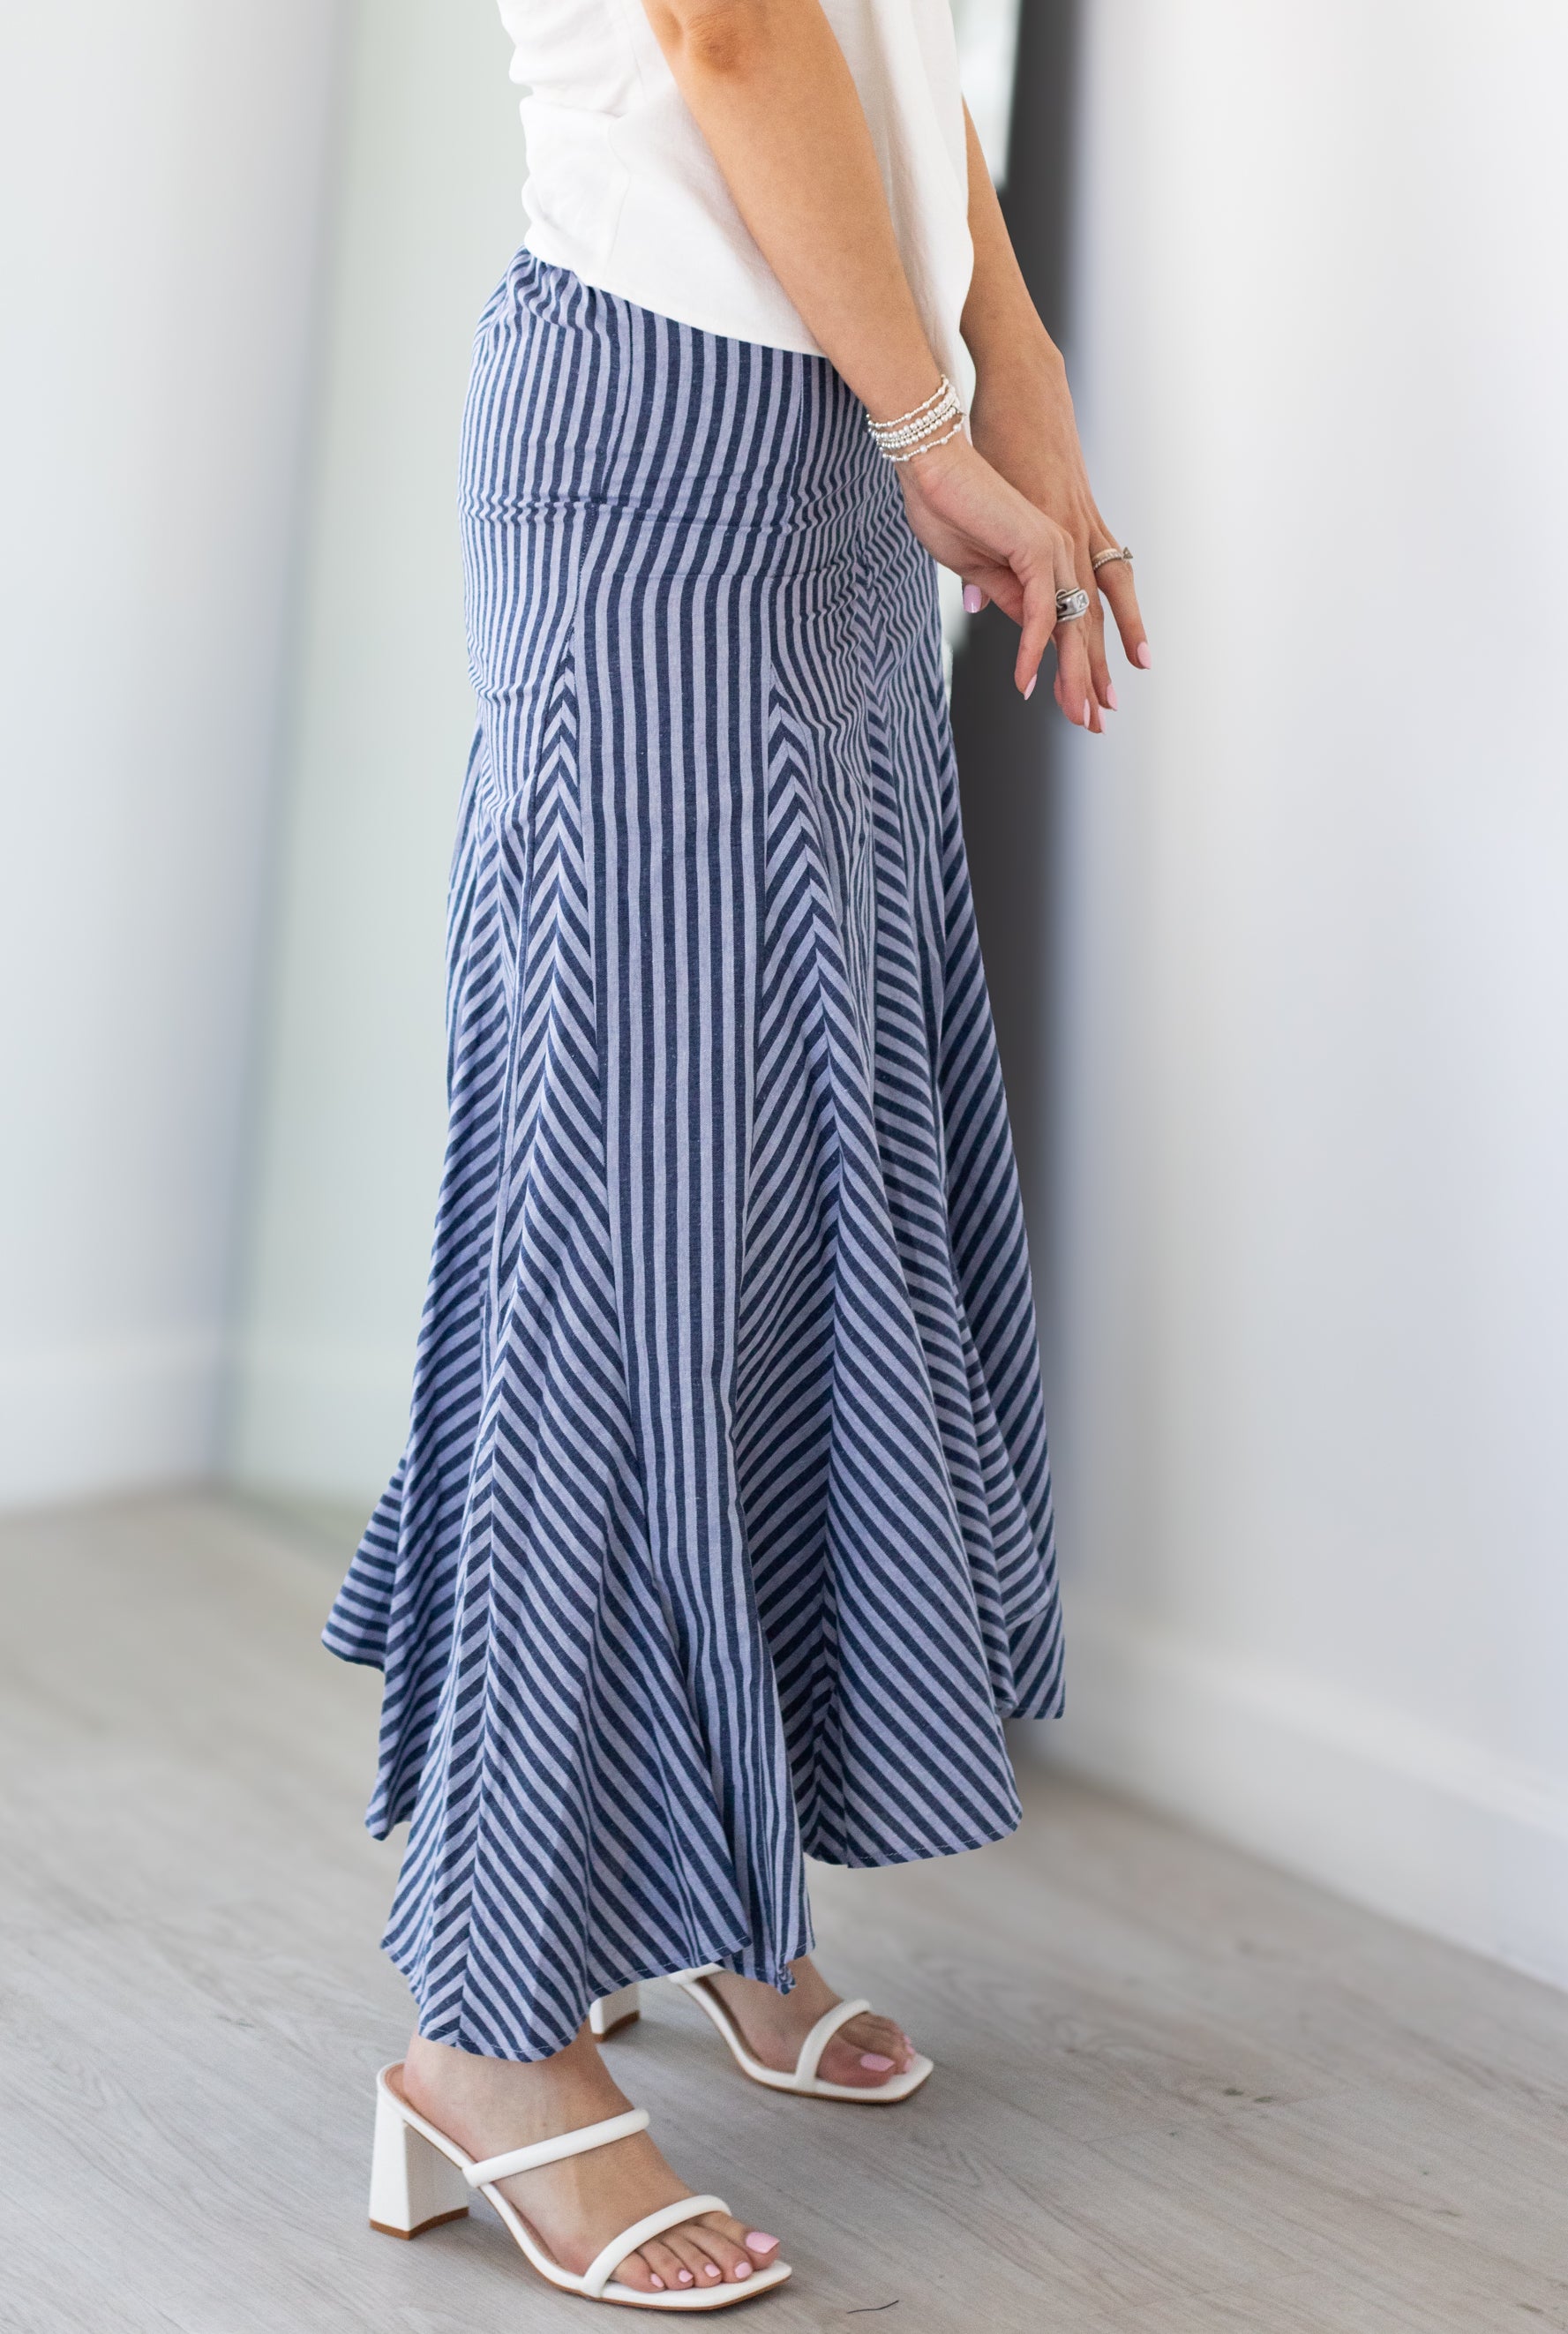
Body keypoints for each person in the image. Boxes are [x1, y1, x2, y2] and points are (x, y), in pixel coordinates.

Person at [326, 0, 1146, 2308]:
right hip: (674, 424)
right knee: (632, 1242)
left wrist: (1017, 405)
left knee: (789, 1204)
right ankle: (488, 2037)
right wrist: (928, 417)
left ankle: (698, 1878)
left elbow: (898, 86)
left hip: (836, 417)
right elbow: (726, 25)